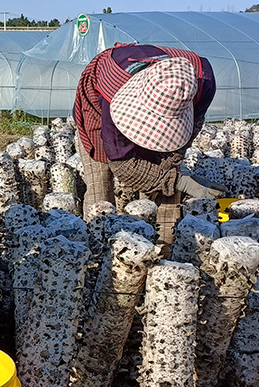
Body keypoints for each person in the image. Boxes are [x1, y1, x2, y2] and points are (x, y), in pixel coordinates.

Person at [72, 44, 216, 241]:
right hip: (99, 109)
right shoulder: (113, 88)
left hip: (167, 99)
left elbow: (190, 130)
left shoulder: (202, 80)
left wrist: (171, 172)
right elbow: (121, 162)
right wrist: (178, 181)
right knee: (100, 184)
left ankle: (165, 245)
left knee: (167, 175)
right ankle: (100, 249)